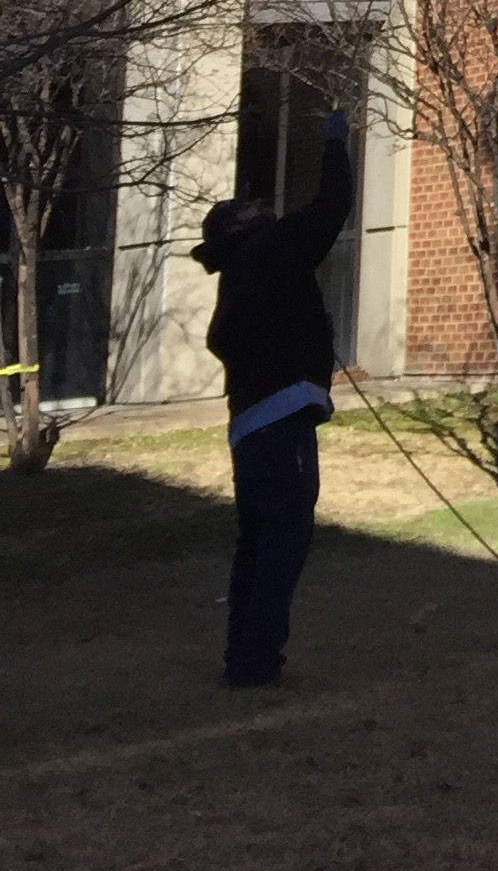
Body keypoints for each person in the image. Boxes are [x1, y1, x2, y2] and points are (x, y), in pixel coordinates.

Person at [190, 108, 354, 690]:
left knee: (256, 541)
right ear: (240, 227)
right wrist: (334, 143)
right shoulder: (271, 249)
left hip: (248, 426)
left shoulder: (239, 276)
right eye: (251, 206)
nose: (263, 205)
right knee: (284, 538)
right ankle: (258, 662)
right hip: (283, 421)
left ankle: (243, 655)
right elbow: (332, 208)